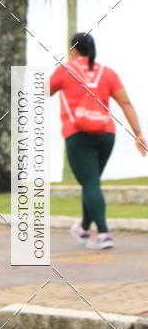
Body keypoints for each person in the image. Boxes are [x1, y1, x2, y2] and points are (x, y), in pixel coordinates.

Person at [50, 32, 146, 249]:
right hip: (106, 135)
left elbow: (43, 91)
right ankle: (84, 227)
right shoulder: (107, 72)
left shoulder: (66, 70)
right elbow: (126, 103)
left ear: (73, 49)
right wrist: (138, 134)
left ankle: (103, 234)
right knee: (91, 181)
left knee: (90, 182)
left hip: (78, 134)